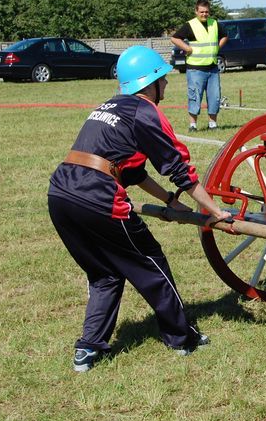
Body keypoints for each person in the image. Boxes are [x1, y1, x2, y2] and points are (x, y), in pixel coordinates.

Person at [48, 45, 233, 372]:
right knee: (150, 262)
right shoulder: (145, 110)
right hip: (98, 196)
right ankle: (181, 337)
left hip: (61, 193)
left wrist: (167, 201)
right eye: (163, 79)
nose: (166, 86)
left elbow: (132, 171)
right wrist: (214, 211)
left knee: (104, 273)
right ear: (151, 82)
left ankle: (87, 349)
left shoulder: (108, 106)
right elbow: (178, 168)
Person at [170, 0, 228, 132]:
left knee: (214, 96)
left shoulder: (215, 24)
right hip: (195, 69)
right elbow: (174, 38)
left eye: (207, 12)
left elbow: (225, 36)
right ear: (196, 11)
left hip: (212, 68)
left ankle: (212, 124)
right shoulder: (190, 25)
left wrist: (217, 47)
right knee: (195, 96)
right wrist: (187, 48)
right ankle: (193, 125)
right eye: (201, 12)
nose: (204, 14)